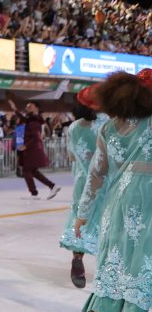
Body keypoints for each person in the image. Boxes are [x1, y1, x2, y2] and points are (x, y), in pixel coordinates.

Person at [71, 71, 152, 312]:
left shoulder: (109, 129)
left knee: (113, 274)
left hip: (117, 208)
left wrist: (82, 215)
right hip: (147, 207)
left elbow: (95, 176)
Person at [60, 86, 106, 288]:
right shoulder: (106, 123)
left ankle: (77, 260)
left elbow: (71, 156)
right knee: (106, 220)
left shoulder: (73, 127)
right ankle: (108, 268)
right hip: (105, 181)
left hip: (82, 181)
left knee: (80, 218)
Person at [8, 99, 61, 199]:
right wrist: (14, 109)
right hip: (32, 148)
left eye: (30, 106)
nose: (27, 108)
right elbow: (23, 118)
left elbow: (36, 137)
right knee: (33, 171)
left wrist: (26, 145)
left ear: (36, 107)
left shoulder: (35, 121)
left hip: (32, 149)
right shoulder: (32, 119)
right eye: (27, 106)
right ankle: (52, 186)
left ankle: (34, 193)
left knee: (26, 170)